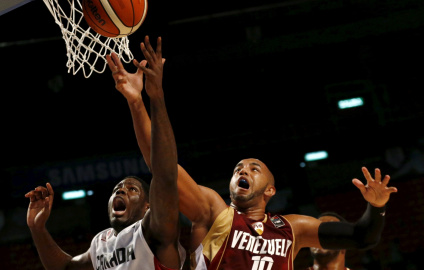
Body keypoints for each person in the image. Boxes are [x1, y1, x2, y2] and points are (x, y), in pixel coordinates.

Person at [106, 37, 399, 270]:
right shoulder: (213, 211)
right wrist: (141, 101)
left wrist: (377, 206)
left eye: (253, 168)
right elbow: (163, 168)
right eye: (237, 169)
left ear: (270, 190)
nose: (242, 171)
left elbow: (362, 237)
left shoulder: (293, 228)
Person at [25, 35, 186, 270]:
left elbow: (165, 174)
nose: (121, 189)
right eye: (118, 188)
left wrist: (156, 97)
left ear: (148, 207)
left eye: (132, 189)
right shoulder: (101, 243)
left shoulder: (154, 231)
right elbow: (65, 269)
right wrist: (37, 229)